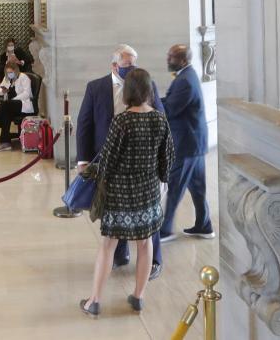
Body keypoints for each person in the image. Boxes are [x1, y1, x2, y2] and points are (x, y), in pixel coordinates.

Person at [78, 68, 173, 317]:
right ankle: (138, 297)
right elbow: (168, 159)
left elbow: (107, 162)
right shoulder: (159, 120)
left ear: (128, 92)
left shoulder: (122, 121)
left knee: (108, 246)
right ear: (149, 90)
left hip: (119, 195)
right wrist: (160, 179)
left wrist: (95, 178)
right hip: (148, 194)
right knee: (145, 244)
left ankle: (95, 300)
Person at [158, 44, 214, 242]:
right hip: (194, 143)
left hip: (187, 144)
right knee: (197, 187)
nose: (167, 60)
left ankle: (165, 229)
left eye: (171, 57)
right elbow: (173, 102)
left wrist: (152, 103)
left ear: (183, 60)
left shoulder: (185, 81)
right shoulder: (186, 75)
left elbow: (171, 109)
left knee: (175, 185)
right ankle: (204, 225)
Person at [0, 58, 34, 150]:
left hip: (23, 104)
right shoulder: (8, 79)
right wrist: (3, 91)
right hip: (11, 106)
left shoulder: (23, 77)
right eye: (8, 73)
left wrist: (14, 100)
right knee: (6, 114)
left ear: (16, 71)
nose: (9, 74)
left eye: (11, 72)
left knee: (6, 104)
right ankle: (5, 142)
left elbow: (27, 94)